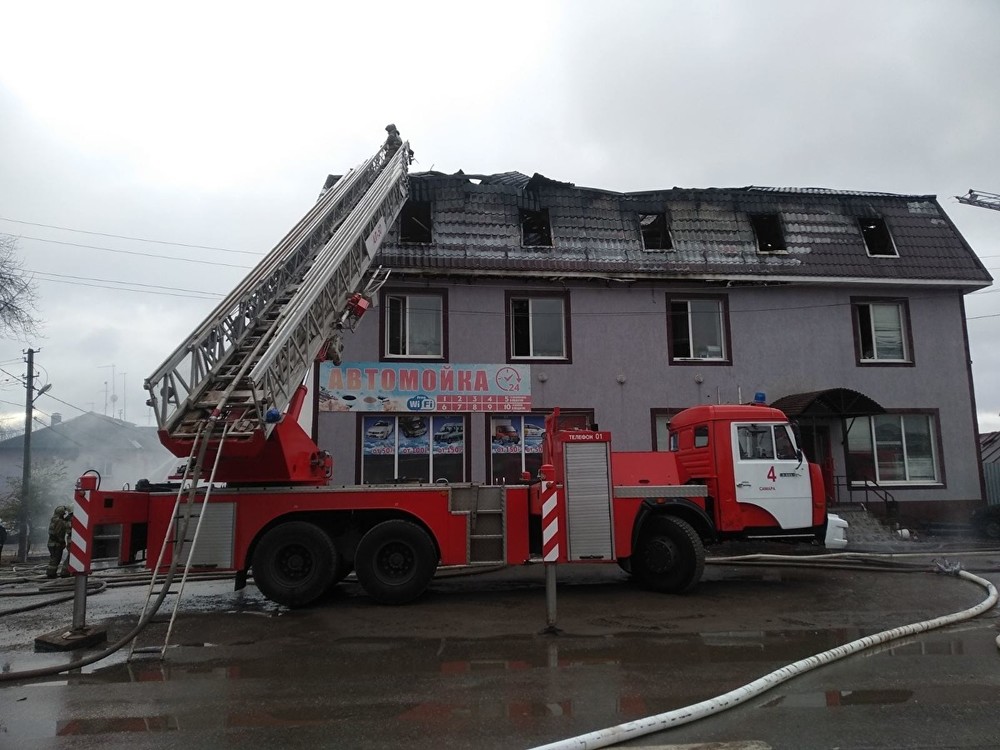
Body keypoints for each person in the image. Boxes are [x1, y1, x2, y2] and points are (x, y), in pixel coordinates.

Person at [46, 505, 72, 578]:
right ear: (61, 513)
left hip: (51, 543)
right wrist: (62, 542)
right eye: (63, 514)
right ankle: (51, 574)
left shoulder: (53, 519)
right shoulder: (59, 521)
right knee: (55, 559)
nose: (64, 515)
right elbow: (57, 534)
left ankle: (51, 573)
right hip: (56, 544)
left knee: (53, 558)